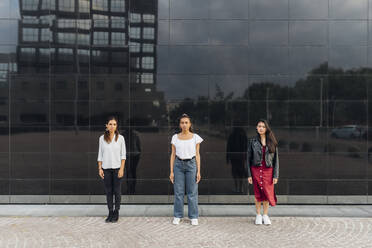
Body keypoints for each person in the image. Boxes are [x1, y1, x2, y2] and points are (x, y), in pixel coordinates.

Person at [169, 113, 203, 226]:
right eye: (182, 123)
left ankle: (193, 216)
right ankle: (177, 215)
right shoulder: (175, 137)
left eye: (186, 122)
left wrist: (199, 171)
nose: (184, 125)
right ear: (180, 124)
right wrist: (171, 171)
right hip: (178, 165)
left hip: (191, 165)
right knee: (178, 192)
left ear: (190, 124)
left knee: (192, 192)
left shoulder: (195, 137)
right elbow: (173, 155)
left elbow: (198, 155)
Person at [247, 119, 279, 225]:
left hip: (268, 171)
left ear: (266, 128)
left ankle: (265, 215)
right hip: (255, 170)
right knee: (258, 193)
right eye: (259, 126)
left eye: (263, 126)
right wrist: (249, 175)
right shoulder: (252, 141)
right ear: (256, 128)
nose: (261, 128)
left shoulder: (272, 142)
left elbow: (276, 160)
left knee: (266, 193)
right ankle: (258, 215)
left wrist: (275, 175)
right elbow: (248, 159)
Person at [97, 116, 126, 223]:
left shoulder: (121, 138)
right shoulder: (102, 138)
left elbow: (123, 155)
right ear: (106, 126)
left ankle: (116, 212)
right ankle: (110, 212)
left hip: (117, 168)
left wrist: (122, 169)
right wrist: (100, 168)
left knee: (117, 191)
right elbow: (100, 154)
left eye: (114, 124)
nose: (112, 126)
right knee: (108, 191)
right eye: (110, 124)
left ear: (116, 126)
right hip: (106, 169)